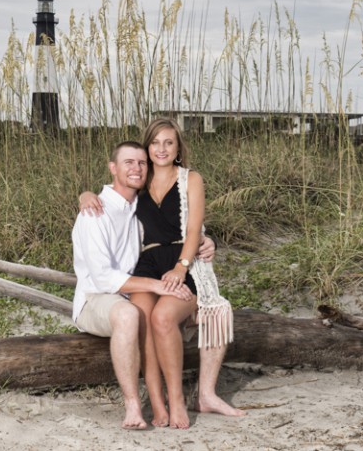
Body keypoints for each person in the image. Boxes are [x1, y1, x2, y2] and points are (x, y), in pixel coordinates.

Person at [80, 122, 246, 429]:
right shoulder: (140, 181)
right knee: (141, 317)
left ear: (178, 148)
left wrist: (181, 267)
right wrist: (85, 194)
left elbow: (195, 228)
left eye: (169, 143)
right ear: (147, 148)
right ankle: (157, 404)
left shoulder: (190, 179)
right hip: (148, 263)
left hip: (183, 261)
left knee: (163, 318)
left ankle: (178, 399)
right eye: (155, 143)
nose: (161, 149)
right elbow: (112, 189)